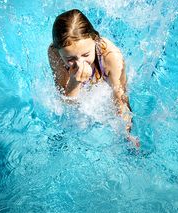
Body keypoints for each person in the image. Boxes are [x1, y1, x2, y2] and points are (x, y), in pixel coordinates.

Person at [48, 9, 139, 147]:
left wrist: (127, 134)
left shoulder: (111, 57)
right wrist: (74, 82)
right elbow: (66, 104)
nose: (80, 63)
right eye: (70, 59)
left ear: (95, 40)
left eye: (85, 55)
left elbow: (121, 100)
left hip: (106, 67)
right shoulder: (54, 53)